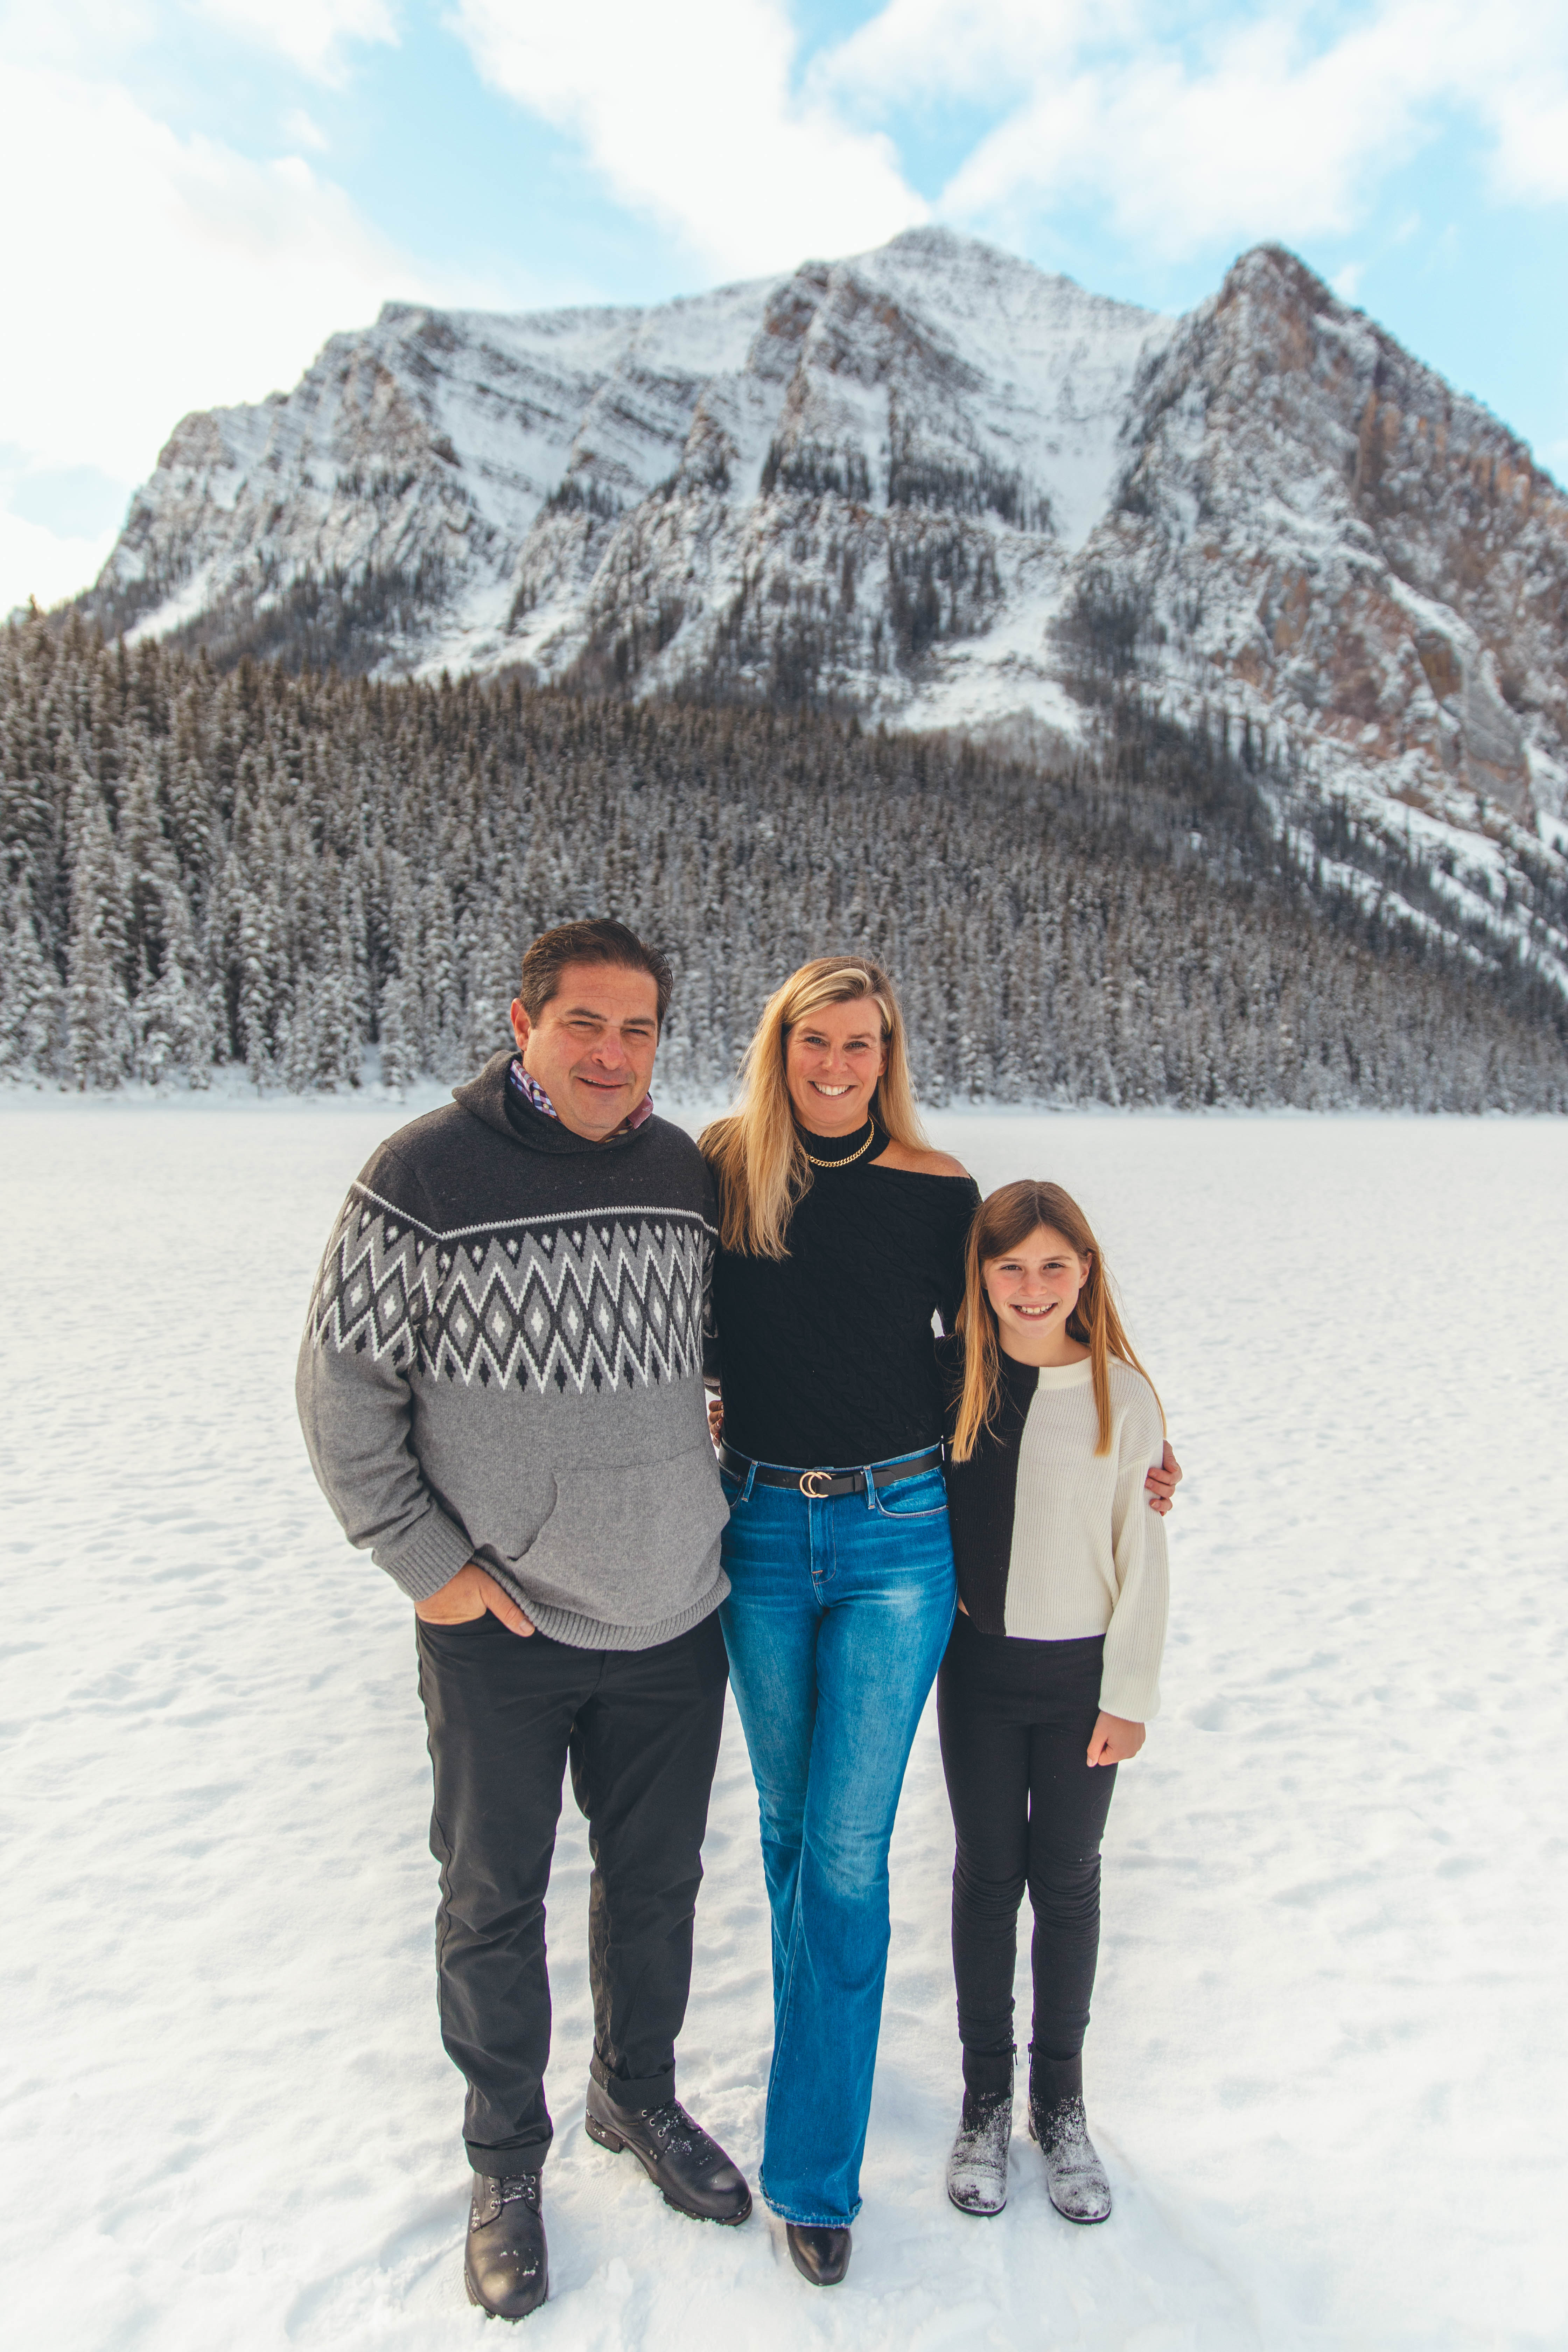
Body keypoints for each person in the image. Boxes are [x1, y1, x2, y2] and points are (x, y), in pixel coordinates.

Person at [296, 919, 750, 2325]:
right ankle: (505, 2166)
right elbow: (340, 1397)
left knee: (657, 1883)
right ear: (522, 1026)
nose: (612, 1056)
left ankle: (635, 2095)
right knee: (491, 1899)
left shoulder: (682, 1175)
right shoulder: (423, 1177)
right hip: (502, 1625)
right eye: (584, 1026)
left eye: (638, 1030)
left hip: (674, 1612)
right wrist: (426, 1565)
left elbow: (733, 1344)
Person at [699, 962, 1180, 2286]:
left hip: (898, 1534)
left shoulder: (938, 1190)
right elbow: (693, 1325)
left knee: (846, 1850)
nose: (837, 1065)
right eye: (815, 1041)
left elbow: (1003, 1350)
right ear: (780, 1046)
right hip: (757, 1530)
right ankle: (824, 2061)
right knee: (789, 1833)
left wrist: (1129, 1444)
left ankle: (813, 2169)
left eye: (862, 1043)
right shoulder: (725, 1168)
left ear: (889, 1054)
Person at [937, 1180, 1169, 2228]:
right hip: (979, 1676)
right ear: (981, 1277)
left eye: (1053, 1266)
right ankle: (985, 2099)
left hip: (1082, 1685)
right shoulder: (953, 1382)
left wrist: (1130, 1696)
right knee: (989, 1879)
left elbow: (1142, 1555)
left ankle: (1060, 2103)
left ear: (1085, 1273)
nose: (1032, 1288)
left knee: (1067, 1882)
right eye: (1010, 1267)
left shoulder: (1123, 1395)